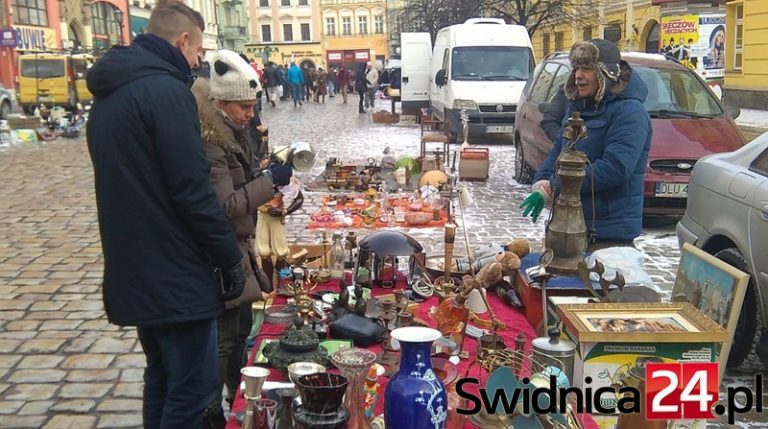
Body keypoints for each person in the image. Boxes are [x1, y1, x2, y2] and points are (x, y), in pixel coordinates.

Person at [86, 1, 249, 427]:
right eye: (197, 55)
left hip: (135, 265)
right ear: (183, 42)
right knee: (191, 391)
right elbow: (192, 191)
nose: (196, 64)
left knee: (161, 376)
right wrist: (228, 256)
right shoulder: (166, 92)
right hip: (174, 272)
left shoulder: (109, 96)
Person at [192, 49, 291, 428]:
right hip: (222, 253)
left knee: (241, 330)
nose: (251, 114)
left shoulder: (232, 130)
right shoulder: (211, 142)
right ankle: (214, 411)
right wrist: (271, 182)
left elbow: (242, 181)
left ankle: (242, 397)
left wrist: (267, 169)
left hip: (239, 247)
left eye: (253, 106)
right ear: (221, 103)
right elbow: (226, 203)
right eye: (244, 107)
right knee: (224, 338)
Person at [520, 39, 651, 251]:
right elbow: (560, 151)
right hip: (569, 224)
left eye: (587, 68)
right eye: (576, 68)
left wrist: (555, 186)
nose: (578, 75)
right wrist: (542, 180)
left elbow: (615, 168)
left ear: (606, 73)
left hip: (607, 235)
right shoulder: (579, 106)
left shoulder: (629, 112)